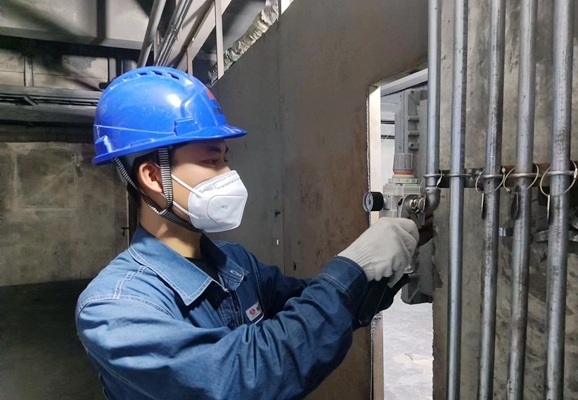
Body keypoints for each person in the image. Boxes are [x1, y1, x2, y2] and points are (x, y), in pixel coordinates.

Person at [76, 66, 419, 400]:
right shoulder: (115, 307)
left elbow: (311, 311)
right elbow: (242, 378)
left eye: (226, 159)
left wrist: (381, 266)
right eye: (212, 161)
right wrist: (349, 269)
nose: (229, 174)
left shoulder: (236, 263)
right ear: (153, 177)